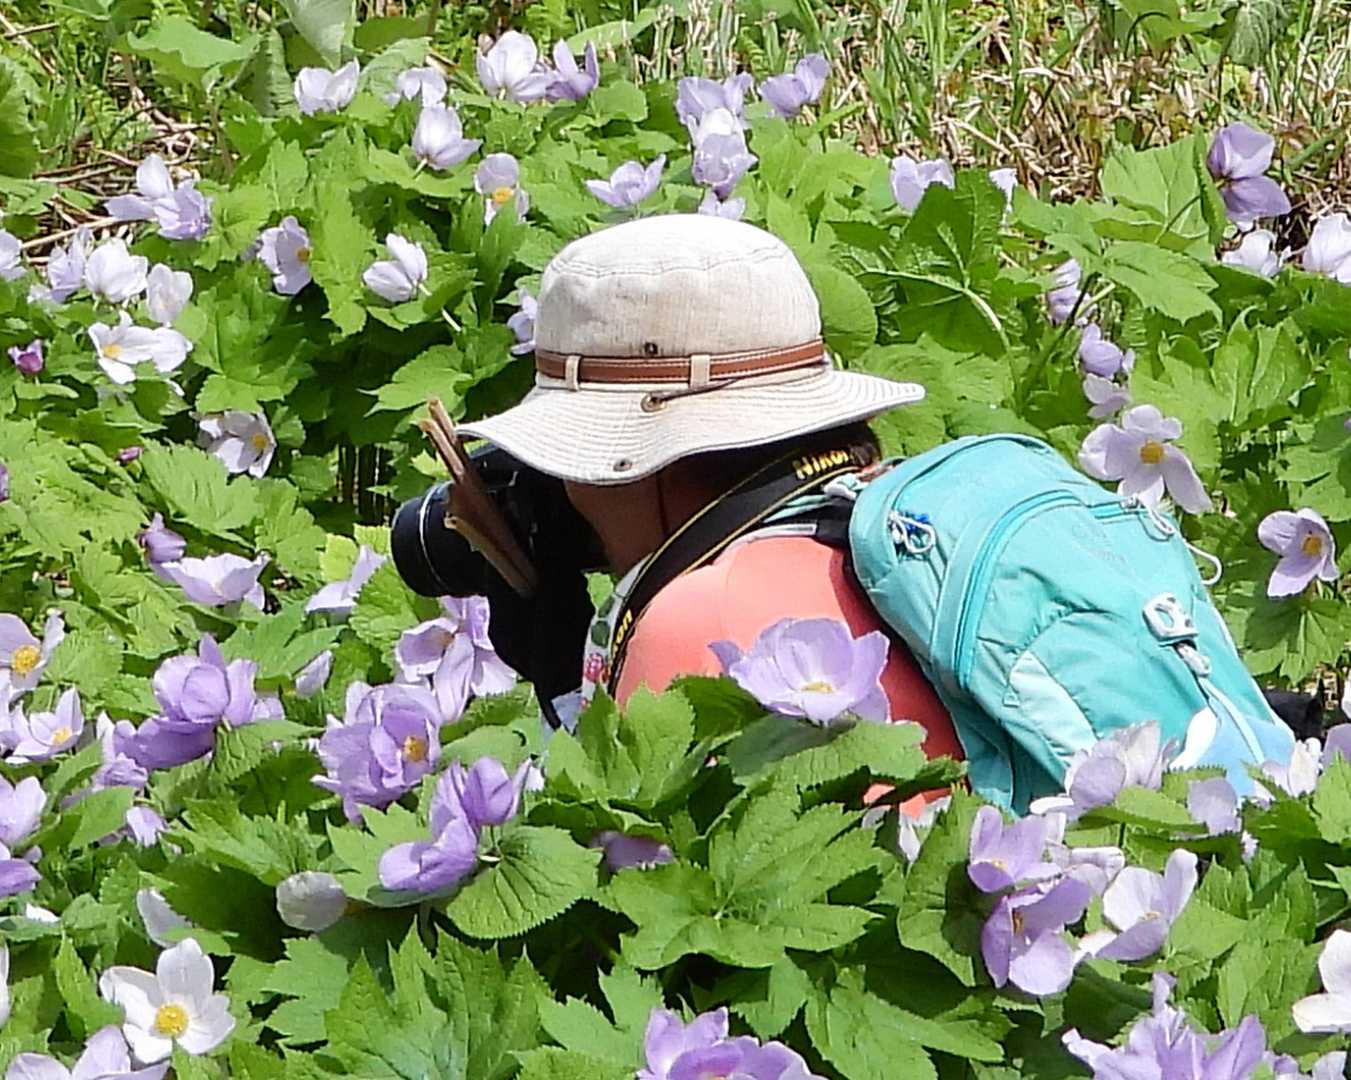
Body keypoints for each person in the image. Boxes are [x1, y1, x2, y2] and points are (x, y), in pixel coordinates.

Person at [459, 213, 963, 770]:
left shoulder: (694, 618)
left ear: (635, 468)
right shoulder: (904, 534)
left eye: (568, 463)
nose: (565, 492)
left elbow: (627, 821)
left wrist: (567, 695)